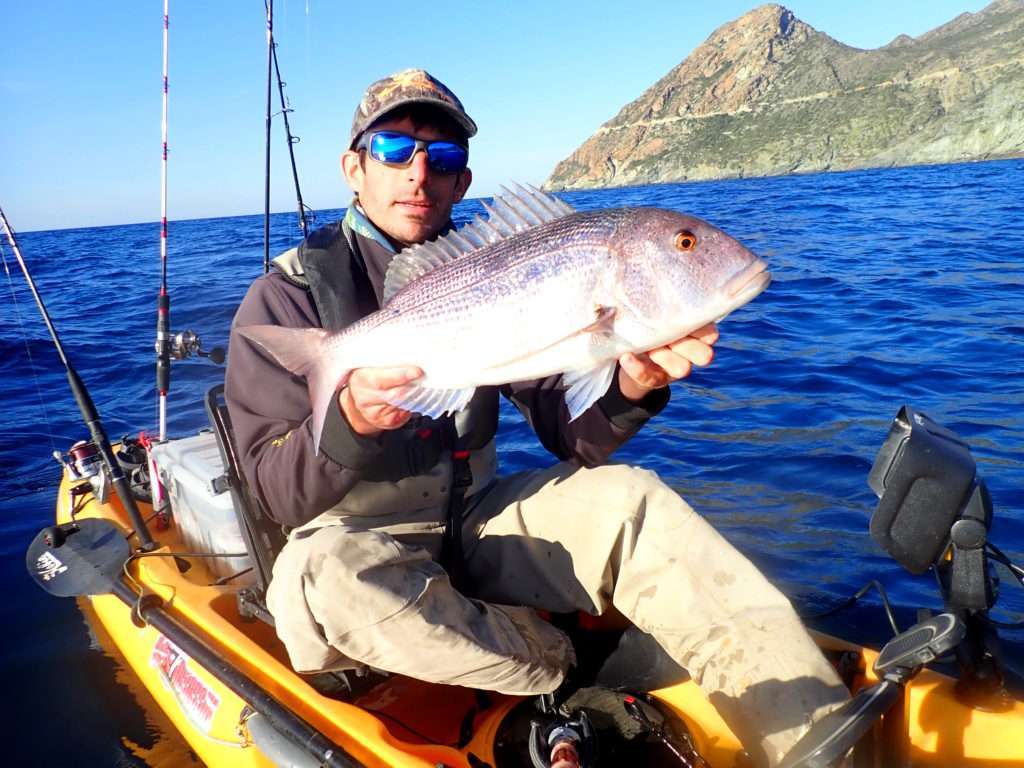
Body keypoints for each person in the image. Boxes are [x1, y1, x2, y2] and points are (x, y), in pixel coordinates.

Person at [225, 68, 847, 767]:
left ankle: (814, 741)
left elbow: (568, 432)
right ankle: (560, 664)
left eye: (446, 157)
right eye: (394, 149)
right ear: (353, 167)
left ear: (463, 182)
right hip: (353, 546)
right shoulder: (285, 298)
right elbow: (273, 491)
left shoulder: (501, 265)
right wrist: (347, 421)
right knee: (321, 578)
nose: (419, 173)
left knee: (634, 500)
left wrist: (629, 383)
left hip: (472, 523)